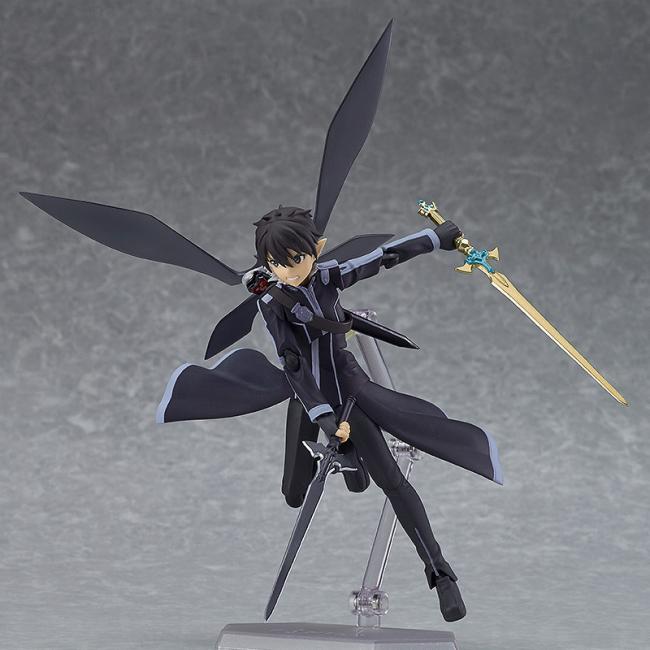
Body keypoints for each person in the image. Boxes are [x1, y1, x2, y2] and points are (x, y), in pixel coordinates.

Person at [254, 205, 504, 622]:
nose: (287, 271)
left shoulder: (329, 277)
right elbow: (293, 365)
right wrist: (324, 417)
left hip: (352, 391)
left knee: (391, 479)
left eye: (294, 259)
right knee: (294, 493)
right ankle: (350, 461)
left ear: (317, 249)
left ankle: (440, 573)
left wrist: (436, 238)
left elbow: (382, 257)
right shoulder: (271, 301)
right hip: (310, 400)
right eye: (275, 263)